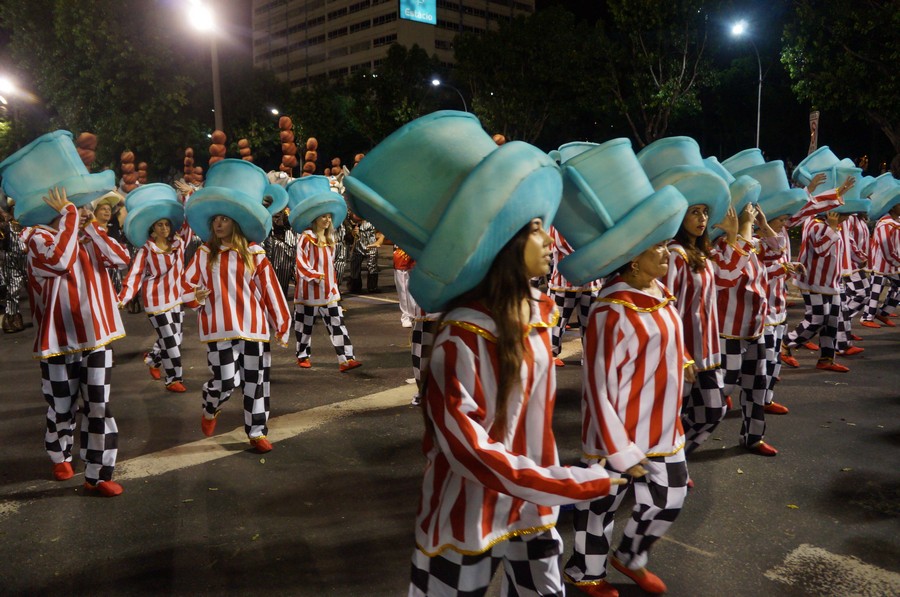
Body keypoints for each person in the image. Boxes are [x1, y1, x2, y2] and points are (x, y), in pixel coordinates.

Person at [342, 111, 621, 596]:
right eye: (536, 229)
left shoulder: (539, 314)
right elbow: (467, 448)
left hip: (532, 509)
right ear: (506, 243)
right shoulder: (461, 337)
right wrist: (566, 482)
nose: (548, 240)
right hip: (466, 516)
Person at [565, 241, 691, 597]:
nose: (667, 253)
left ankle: (629, 556)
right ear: (633, 259)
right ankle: (584, 572)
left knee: (671, 497)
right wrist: (617, 448)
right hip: (617, 428)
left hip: (663, 425)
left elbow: (667, 334)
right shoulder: (610, 309)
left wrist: (684, 358)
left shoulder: (660, 291)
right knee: (600, 506)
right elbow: (597, 383)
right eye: (658, 247)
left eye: (666, 245)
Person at [24, 188, 128, 496]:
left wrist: (91, 229)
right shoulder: (37, 238)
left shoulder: (89, 235)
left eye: (84, 206)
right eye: (77, 206)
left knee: (98, 406)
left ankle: (98, 474)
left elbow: (121, 259)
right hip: (57, 341)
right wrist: (70, 216)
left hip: (98, 338)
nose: (84, 211)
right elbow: (59, 262)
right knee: (61, 406)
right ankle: (60, 454)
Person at [181, 214, 291, 453]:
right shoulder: (204, 253)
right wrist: (193, 296)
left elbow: (270, 289)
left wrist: (282, 323)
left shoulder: (255, 253)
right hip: (218, 328)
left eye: (225, 219)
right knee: (226, 381)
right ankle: (210, 406)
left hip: (253, 327)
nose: (218, 224)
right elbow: (185, 284)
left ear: (236, 223)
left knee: (255, 383)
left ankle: (257, 432)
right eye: (215, 220)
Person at [712, 203, 783, 454]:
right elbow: (727, 272)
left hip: (755, 329)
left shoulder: (753, 243)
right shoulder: (719, 246)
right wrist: (742, 228)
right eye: (748, 213)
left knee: (756, 387)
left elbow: (778, 250)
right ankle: (680, 442)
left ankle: (753, 438)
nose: (751, 217)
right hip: (727, 331)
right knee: (721, 390)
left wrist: (763, 224)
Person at [665, 204, 727, 454]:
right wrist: (681, 354)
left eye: (705, 212)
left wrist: (735, 235)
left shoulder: (702, 253)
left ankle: (674, 457)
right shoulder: (675, 254)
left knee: (714, 411)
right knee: (673, 415)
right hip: (683, 352)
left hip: (708, 351)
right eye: (694, 212)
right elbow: (667, 307)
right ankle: (666, 462)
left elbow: (730, 279)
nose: (702, 218)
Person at [118, 184, 192, 393]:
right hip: (156, 302)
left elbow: (188, 225)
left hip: (176, 298)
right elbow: (135, 274)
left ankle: (152, 359)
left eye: (167, 224)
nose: (164, 228)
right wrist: (123, 298)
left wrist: (187, 196)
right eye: (160, 225)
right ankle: (173, 379)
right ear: (152, 228)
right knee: (171, 342)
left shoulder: (178, 243)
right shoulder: (146, 250)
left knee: (175, 339)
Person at [292, 210, 362, 372]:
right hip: (308, 290)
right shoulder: (306, 237)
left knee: (337, 323)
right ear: (315, 218)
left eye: (329, 217)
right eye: (323, 216)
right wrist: (316, 276)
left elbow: (330, 264)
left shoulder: (330, 238)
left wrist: (332, 283)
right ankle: (302, 355)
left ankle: (346, 359)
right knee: (304, 325)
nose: (327, 220)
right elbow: (301, 263)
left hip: (329, 290)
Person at [547, 225, 601, 367]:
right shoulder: (560, 221)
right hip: (564, 282)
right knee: (557, 320)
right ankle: (551, 353)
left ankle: (589, 354)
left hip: (591, 282)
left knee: (590, 321)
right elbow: (561, 244)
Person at [347, 213, 383, 293]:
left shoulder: (374, 217)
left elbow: (381, 230)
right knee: (355, 265)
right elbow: (352, 219)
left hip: (371, 244)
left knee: (372, 265)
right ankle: (355, 286)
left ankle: (372, 287)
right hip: (358, 245)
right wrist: (353, 231)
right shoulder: (353, 215)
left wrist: (379, 240)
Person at [393, 244, 417, 327]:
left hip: (416, 257)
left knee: (414, 290)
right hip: (402, 259)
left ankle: (414, 314)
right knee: (403, 291)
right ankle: (406, 316)